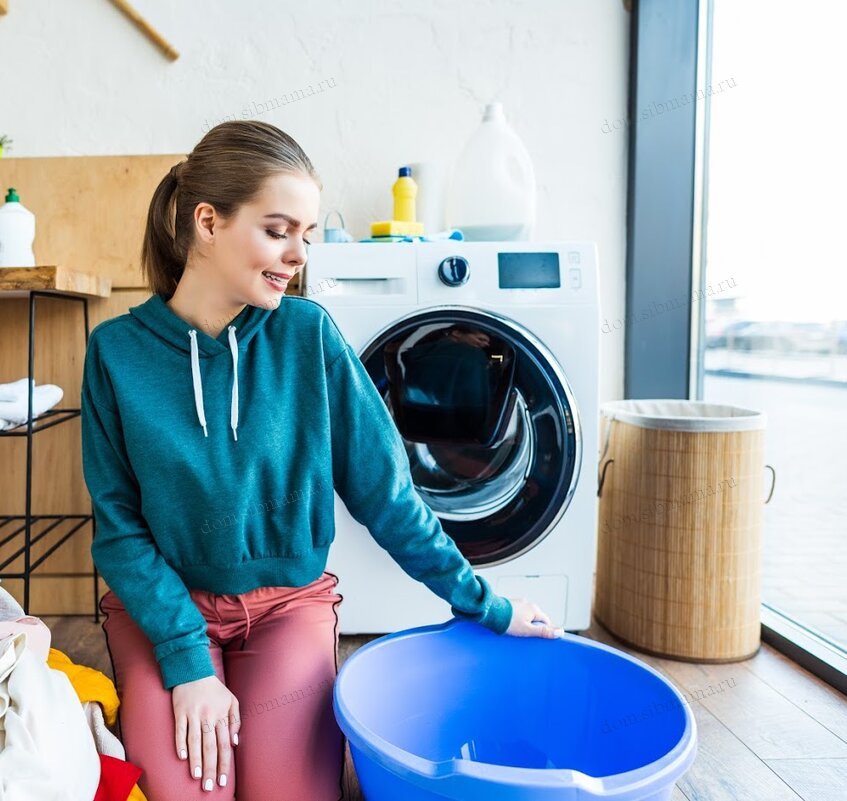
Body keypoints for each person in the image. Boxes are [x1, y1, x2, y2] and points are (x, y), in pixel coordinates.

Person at [80, 120, 564, 801]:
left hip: (286, 607)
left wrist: (483, 602)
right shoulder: (115, 354)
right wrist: (187, 661)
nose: (295, 256)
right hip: (163, 610)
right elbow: (120, 530)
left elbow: (388, 495)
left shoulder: (309, 337)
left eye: (304, 236)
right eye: (279, 231)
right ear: (208, 221)